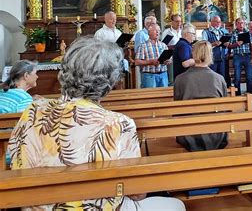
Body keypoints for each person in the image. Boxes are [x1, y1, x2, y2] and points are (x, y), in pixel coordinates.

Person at [7, 37, 185, 211]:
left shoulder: (33, 109)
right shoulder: (118, 124)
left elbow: (15, 159)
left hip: (37, 205)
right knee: (176, 205)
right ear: (109, 80)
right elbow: (137, 192)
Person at [174, 40, 228, 151]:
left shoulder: (180, 79)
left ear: (193, 54)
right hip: (216, 133)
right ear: (210, 55)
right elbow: (224, 108)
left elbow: (177, 110)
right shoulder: (219, 79)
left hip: (188, 133)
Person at [226, 18, 252, 95]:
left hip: (247, 56)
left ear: (244, 23)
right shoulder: (233, 33)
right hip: (237, 56)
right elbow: (229, 46)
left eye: (242, 23)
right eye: (239, 23)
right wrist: (236, 44)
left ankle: (250, 95)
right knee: (237, 78)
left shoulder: (248, 33)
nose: (241, 24)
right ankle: (238, 95)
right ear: (236, 24)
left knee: (249, 77)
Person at [162, 14, 183, 84]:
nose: (179, 23)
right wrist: (175, 46)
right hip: (171, 59)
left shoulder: (183, 32)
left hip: (182, 58)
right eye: (177, 21)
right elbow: (162, 46)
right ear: (172, 22)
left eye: (180, 21)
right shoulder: (167, 32)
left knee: (181, 78)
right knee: (172, 80)